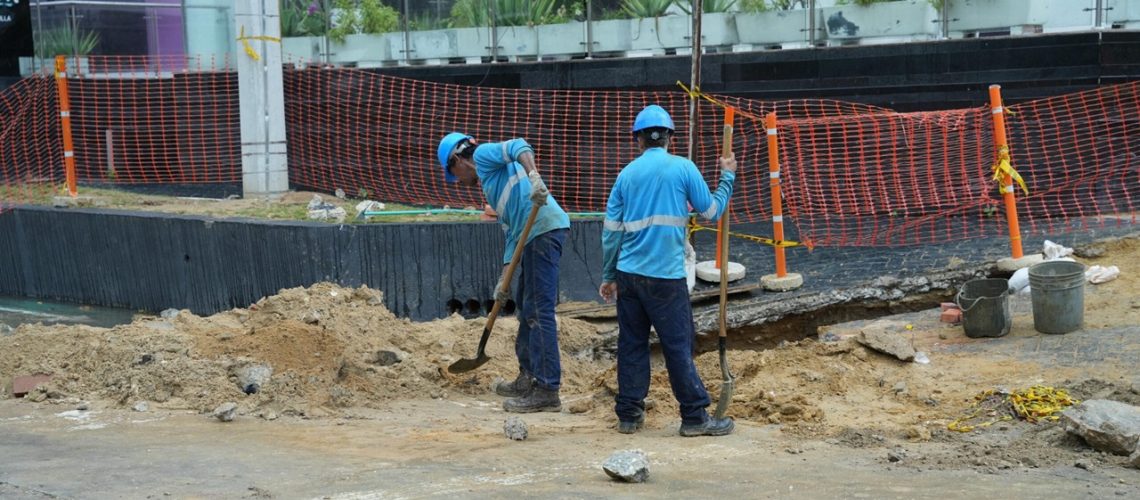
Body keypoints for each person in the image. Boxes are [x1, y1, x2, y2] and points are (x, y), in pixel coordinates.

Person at [598, 104, 737, 437]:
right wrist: (727, 176)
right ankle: (693, 417)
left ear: (638, 140)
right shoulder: (683, 168)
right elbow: (712, 211)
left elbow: (610, 233)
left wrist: (608, 276)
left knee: (631, 344)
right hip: (666, 277)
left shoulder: (625, 175)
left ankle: (629, 415)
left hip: (629, 275)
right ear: (670, 138)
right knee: (677, 346)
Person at [437, 132, 570, 413]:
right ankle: (528, 377)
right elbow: (512, 236)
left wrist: (534, 176)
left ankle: (547, 390)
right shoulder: (492, 186)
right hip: (532, 236)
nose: (459, 183)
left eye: (455, 175)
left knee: (539, 312)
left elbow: (519, 144)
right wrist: (504, 277)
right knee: (526, 308)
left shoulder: (483, 156)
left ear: (457, 160)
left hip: (544, 229)